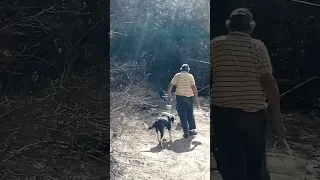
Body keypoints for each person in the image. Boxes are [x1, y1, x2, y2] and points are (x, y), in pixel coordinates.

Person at [210, 8, 287, 180]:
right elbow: (268, 81)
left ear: (229, 26)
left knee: (231, 164)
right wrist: (279, 123)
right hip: (253, 115)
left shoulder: (215, 44)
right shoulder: (258, 46)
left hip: (224, 114)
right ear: (250, 28)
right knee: (256, 163)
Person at [167, 64, 199, 138]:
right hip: (189, 97)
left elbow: (171, 85)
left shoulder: (177, 75)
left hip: (180, 98)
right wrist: (197, 98)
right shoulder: (190, 76)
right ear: (188, 70)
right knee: (190, 113)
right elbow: (193, 87)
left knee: (183, 115)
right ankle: (192, 130)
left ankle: (186, 132)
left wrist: (169, 95)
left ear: (181, 69)